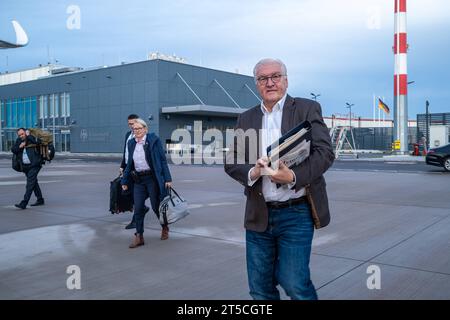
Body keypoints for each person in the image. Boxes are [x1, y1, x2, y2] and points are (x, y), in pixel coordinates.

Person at [224, 58, 334, 300]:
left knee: (295, 285)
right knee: (260, 290)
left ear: (286, 79)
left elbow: (325, 153)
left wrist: (293, 176)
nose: (270, 82)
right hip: (258, 214)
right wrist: (254, 172)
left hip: (296, 213)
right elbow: (231, 162)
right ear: (256, 84)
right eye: (263, 78)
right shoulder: (246, 118)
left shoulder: (306, 108)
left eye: (275, 76)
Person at [121, 118, 173, 248]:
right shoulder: (131, 143)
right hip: (139, 180)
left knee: (156, 207)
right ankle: (139, 236)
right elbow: (129, 165)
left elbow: (162, 161)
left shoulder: (153, 141)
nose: (136, 131)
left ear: (145, 129)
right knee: (138, 208)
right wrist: (124, 180)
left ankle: (164, 227)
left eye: (139, 128)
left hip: (152, 179)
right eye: (134, 129)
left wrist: (167, 179)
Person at [119, 114, 149, 229]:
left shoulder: (143, 135)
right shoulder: (128, 135)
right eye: (129, 124)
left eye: (133, 124)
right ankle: (141, 209)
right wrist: (122, 166)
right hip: (127, 167)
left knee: (137, 194)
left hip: (137, 169)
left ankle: (136, 220)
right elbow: (126, 152)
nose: (131, 126)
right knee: (125, 192)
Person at [11, 128, 45, 209]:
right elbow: (13, 149)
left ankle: (24, 202)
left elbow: (38, 142)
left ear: (25, 133)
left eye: (22, 134)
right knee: (33, 183)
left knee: (29, 184)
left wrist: (29, 136)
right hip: (26, 167)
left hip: (35, 164)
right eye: (19, 135)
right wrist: (20, 146)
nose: (21, 136)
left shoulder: (31, 138)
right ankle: (40, 199)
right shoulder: (19, 140)